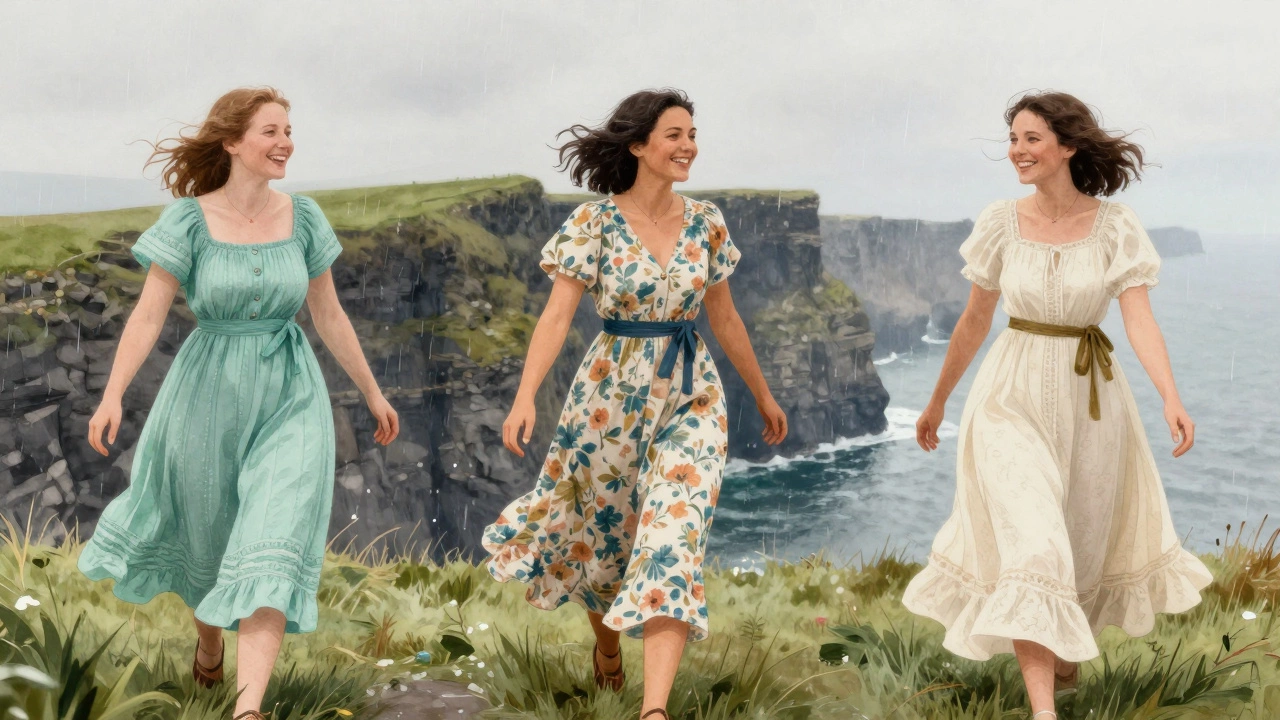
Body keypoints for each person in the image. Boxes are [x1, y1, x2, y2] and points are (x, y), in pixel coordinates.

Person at [77, 87, 399, 720]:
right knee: (210, 531)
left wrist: (371, 390)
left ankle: (246, 709)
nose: (286, 143)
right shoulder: (188, 221)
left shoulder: (305, 217)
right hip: (206, 392)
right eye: (270, 132)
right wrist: (111, 395)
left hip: (290, 392)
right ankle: (208, 644)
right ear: (231, 142)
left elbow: (327, 313)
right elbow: (148, 315)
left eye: (288, 131)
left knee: (273, 534)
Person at [480, 88, 787, 720]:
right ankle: (608, 651)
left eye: (693, 134)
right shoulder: (593, 223)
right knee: (607, 543)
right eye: (674, 134)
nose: (689, 146)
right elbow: (556, 316)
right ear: (639, 145)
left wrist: (761, 393)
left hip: (690, 392)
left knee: (673, 536)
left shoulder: (707, 222)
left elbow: (725, 319)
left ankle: (653, 710)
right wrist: (524, 397)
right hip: (607, 400)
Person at [905, 91, 1212, 719]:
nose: (1017, 152)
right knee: (1034, 545)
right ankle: (1044, 711)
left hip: (1092, 400)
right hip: (1007, 397)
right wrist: (937, 401)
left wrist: (1171, 397)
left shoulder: (1115, 226)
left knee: (1077, 543)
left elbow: (1139, 320)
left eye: (1031, 139)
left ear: (1067, 146)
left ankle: (1063, 677)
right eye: (1013, 140)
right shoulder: (999, 222)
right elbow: (972, 321)